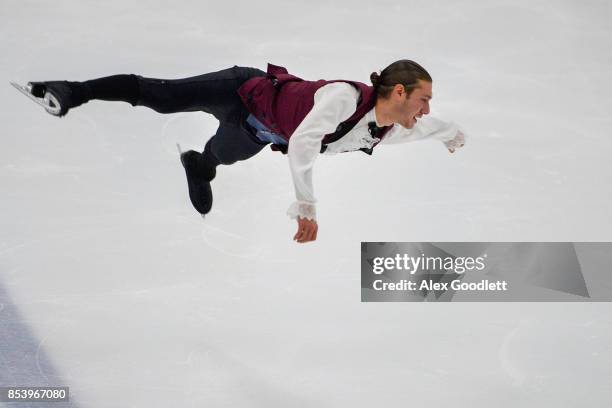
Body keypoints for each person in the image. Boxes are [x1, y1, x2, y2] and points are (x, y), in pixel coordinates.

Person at [21, 60, 465, 244]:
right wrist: (306, 207)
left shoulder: (385, 129)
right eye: (424, 99)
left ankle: (197, 165)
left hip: (258, 132)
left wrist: (450, 134)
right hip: (241, 91)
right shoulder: (344, 98)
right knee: (160, 96)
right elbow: (306, 143)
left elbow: (425, 128)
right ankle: (69, 92)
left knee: (221, 155)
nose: (427, 108)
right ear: (401, 92)